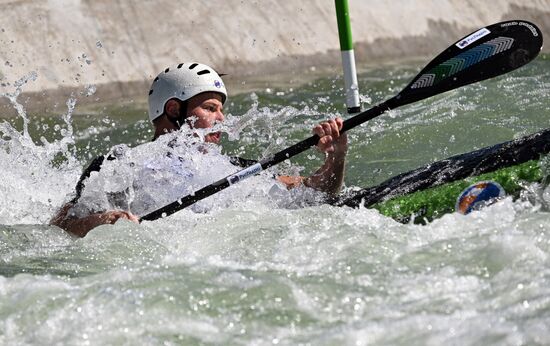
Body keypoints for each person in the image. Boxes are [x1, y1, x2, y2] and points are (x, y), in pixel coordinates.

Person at [50, 62, 347, 237]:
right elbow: (61, 226)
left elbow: (316, 192)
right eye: (210, 108)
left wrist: (335, 157)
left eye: (221, 110)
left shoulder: (234, 168)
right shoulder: (120, 163)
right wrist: (103, 221)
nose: (222, 119)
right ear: (174, 109)